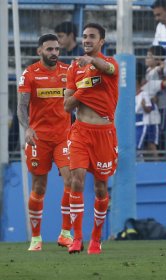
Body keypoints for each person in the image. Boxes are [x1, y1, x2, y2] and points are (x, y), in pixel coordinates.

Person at [64, 23, 119, 255]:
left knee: (100, 187)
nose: (86, 40)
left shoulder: (111, 64)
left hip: (104, 134)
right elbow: (67, 105)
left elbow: (107, 68)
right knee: (76, 180)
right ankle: (77, 238)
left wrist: (92, 63)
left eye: (92, 37)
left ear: (101, 41)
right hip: (80, 132)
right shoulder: (73, 70)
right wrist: (83, 88)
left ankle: (96, 239)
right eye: (84, 36)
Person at [17, 34, 73, 251]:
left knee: (71, 180)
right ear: (39, 50)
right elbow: (22, 106)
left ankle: (66, 233)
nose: (54, 53)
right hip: (38, 138)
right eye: (49, 49)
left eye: (57, 49)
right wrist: (28, 128)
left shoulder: (67, 72)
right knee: (39, 187)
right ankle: (36, 237)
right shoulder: (29, 74)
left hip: (63, 137)